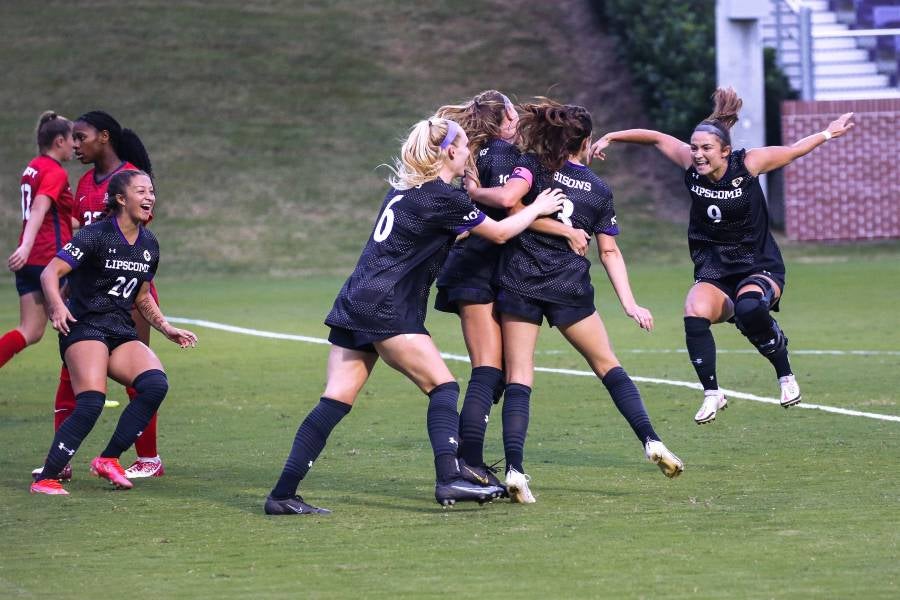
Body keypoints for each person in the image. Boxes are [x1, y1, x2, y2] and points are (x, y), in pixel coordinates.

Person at [264, 117, 566, 515]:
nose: (469, 153)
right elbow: (500, 233)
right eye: (464, 147)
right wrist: (540, 207)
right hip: (388, 306)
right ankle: (449, 479)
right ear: (450, 152)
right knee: (442, 386)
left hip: (355, 300)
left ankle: (282, 495)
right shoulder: (444, 196)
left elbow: (436, 233)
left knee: (335, 399)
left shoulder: (404, 191)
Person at [592, 87, 855, 424]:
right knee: (694, 312)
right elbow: (656, 138)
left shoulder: (748, 163)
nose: (697, 154)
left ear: (725, 151)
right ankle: (713, 393)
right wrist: (612, 136)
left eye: (706, 149)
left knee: (749, 309)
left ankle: (785, 375)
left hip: (758, 265)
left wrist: (828, 132)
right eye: (694, 148)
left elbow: (792, 151)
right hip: (715, 269)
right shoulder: (690, 163)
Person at [469, 98, 684, 503]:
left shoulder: (531, 167)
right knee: (608, 367)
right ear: (584, 142)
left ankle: (515, 470)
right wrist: (630, 304)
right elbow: (610, 253)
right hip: (570, 289)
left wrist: (475, 190)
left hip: (521, 282)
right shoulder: (599, 190)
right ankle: (651, 440)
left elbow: (510, 203)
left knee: (519, 376)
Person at [432, 91, 590, 491]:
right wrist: (545, 211)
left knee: (494, 372)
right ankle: (466, 464)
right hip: (478, 268)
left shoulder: (478, 154)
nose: (518, 119)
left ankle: (471, 461)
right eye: (512, 113)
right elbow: (507, 201)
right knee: (488, 370)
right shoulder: (501, 154)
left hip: (478, 268)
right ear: (504, 119)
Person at [30, 170, 197, 496]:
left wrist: (166, 327)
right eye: (141, 191)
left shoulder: (149, 244)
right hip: (85, 326)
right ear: (121, 199)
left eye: (152, 191)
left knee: (154, 385)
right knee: (92, 401)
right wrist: (56, 306)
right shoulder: (94, 235)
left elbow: (142, 295)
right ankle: (46, 478)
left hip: (120, 329)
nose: (150, 197)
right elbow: (51, 272)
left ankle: (108, 459)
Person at [33, 110, 166, 482]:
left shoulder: (131, 187)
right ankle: (59, 463)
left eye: (81, 137)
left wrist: (167, 326)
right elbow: (77, 237)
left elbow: (138, 271)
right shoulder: (88, 188)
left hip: (125, 295)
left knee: (144, 380)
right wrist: (59, 293)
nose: (76, 145)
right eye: (72, 138)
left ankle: (144, 456)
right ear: (120, 199)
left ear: (103, 137)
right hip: (88, 299)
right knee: (81, 386)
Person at [1, 112, 74, 371]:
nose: (75, 144)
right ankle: (82, 394)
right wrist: (26, 246)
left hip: (30, 262)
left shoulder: (32, 167)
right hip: (50, 260)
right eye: (71, 139)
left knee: (30, 331)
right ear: (58, 142)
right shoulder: (55, 172)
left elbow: (58, 217)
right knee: (80, 326)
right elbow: (40, 208)